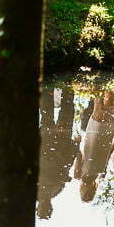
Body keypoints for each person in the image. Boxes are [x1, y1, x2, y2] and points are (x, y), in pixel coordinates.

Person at [74, 91, 114, 202]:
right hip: (99, 138)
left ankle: (105, 82)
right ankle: (103, 82)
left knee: (104, 106)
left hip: (100, 138)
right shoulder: (90, 175)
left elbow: (80, 155)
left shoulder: (91, 175)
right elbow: (107, 155)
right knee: (101, 105)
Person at [37, 87, 80, 219]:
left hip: (56, 141)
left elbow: (66, 165)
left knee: (56, 111)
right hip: (55, 141)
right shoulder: (51, 191)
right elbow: (66, 165)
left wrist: (74, 146)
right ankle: (58, 85)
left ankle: (60, 86)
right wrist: (74, 146)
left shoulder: (55, 190)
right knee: (51, 112)